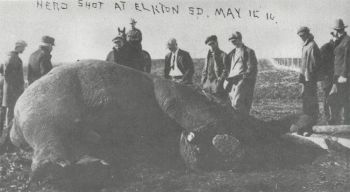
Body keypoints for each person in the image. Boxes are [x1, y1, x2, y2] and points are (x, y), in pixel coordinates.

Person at [223, 32, 258, 115]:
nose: (233, 43)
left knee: (237, 103)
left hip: (242, 81)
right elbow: (227, 67)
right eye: (231, 41)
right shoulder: (231, 53)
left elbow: (252, 68)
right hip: (232, 81)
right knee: (232, 102)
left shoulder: (248, 52)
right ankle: (238, 123)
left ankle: (243, 121)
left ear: (240, 39)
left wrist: (244, 78)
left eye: (234, 40)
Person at [297, 26, 322, 134]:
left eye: (302, 36)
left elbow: (312, 66)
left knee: (310, 104)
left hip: (309, 80)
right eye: (300, 36)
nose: (301, 38)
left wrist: (307, 81)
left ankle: (309, 128)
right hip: (305, 80)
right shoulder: (306, 45)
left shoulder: (311, 46)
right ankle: (306, 127)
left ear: (307, 34)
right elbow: (303, 65)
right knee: (306, 104)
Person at [328, 19, 350, 125]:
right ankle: (336, 120)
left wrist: (344, 75)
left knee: (344, 99)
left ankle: (346, 122)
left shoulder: (347, 40)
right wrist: (334, 40)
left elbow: (347, 59)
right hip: (336, 75)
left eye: (336, 30)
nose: (335, 32)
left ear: (340, 29)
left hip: (342, 75)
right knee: (333, 97)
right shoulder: (339, 40)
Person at [2, 40, 27, 129]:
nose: (24, 49)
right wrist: (15, 86)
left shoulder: (11, 57)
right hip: (13, 91)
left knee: (11, 112)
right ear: (18, 47)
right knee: (11, 113)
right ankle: (8, 136)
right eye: (23, 47)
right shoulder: (13, 58)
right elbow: (7, 74)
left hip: (11, 90)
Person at [320, 33, 337, 124]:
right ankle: (328, 119)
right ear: (333, 37)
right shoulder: (325, 48)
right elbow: (319, 65)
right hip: (327, 79)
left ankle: (333, 118)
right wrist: (325, 76)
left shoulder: (338, 48)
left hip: (335, 78)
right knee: (327, 98)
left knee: (334, 99)